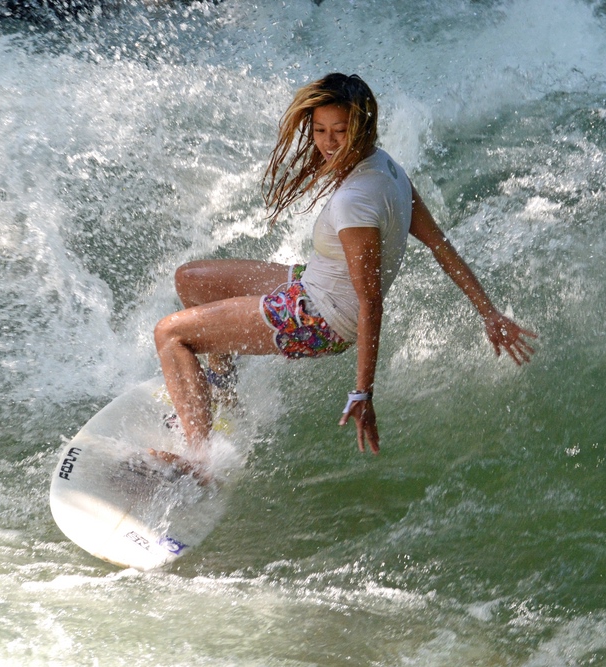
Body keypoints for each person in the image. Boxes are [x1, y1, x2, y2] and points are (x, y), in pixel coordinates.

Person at [153, 73, 536, 462]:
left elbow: (371, 303)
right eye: (320, 130)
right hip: (314, 282)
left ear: (362, 126)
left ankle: (198, 460)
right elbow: (439, 244)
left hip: (320, 318)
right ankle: (222, 394)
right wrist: (489, 313)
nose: (329, 142)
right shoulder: (387, 167)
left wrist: (362, 393)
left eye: (340, 130)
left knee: (170, 335)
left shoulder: (356, 200)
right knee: (192, 281)